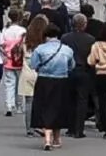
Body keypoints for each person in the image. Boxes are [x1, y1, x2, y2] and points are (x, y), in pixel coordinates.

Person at [29, 22, 76, 151]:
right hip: (61, 81)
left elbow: (33, 65)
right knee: (58, 108)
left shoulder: (40, 49)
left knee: (44, 107)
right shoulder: (67, 49)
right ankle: (57, 137)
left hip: (44, 80)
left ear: (45, 35)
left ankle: (47, 138)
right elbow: (71, 66)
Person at [61, 12, 96, 138]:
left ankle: (70, 127)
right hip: (84, 71)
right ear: (84, 25)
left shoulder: (65, 38)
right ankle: (79, 129)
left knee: (70, 99)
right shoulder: (91, 39)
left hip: (69, 71)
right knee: (82, 100)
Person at [20, 14, 50, 136]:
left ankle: (29, 129)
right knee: (43, 102)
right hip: (42, 72)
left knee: (29, 102)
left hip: (27, 72)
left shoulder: (25, 38)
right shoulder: (45, 41)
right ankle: (41, 125)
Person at [2, 7, 27, 118]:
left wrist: (5, 54)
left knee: (9, 83)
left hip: (8, 60)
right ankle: (19, 106)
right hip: (19, 61)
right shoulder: (22, 31)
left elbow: (1, 45)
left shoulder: (5, 30)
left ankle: (9, 105)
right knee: (19, 84)